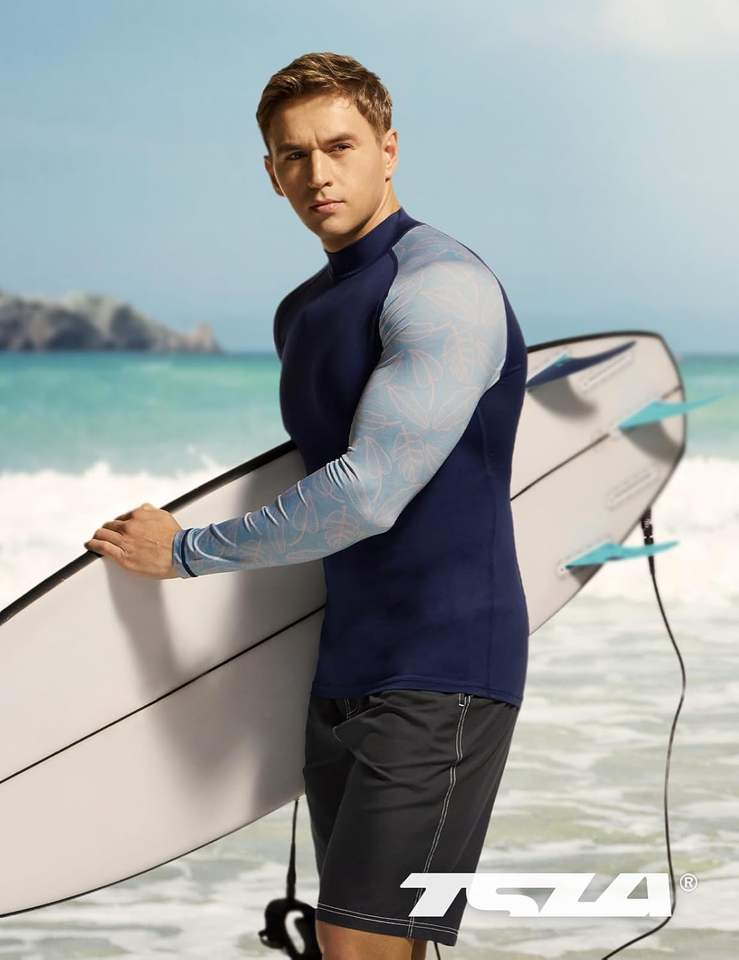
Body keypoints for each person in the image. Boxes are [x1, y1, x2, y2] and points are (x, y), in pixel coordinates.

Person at [84, 51, 529, 960]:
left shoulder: (442, 286)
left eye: (339, 146)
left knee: (353, 940)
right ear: (271, 172)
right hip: (344, 663)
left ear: (388, 149)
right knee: (376, 944)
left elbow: (366, 493)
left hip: (444, 662)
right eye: (294, 155)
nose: (317, 173)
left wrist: (186, 552)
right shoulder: (303, 313)